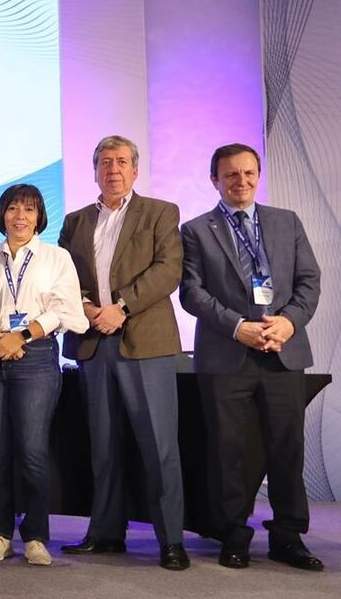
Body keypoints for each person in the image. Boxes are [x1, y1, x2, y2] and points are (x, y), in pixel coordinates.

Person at [179, 143, 322, 571]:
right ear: (214, 180)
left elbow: (308, 281)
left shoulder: (286, 222)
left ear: (258, 175)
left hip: (282, 351)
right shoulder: (196, 229)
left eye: (248, 173)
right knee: (228, 451)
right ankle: (233, 534)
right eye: (230, 175)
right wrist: (237, 327)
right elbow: (192, 291)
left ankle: (288, 536)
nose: (240, 182)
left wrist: (288, 323)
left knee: (287, 449)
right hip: (226, 355)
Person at [58, 135, 189, 571]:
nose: (113, 169)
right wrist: (90, 308)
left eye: (121, 162)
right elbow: (64, 276)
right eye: (105, 163)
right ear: (94, 170)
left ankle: (171, 540)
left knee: (159, 446)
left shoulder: (160, 212)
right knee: (103, 445)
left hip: (144, 343)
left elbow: (168, 269)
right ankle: (107, 533)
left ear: (135, 169)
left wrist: (123, 307)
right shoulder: (75, 220)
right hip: (94, 343)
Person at [0, 184, 88, 566]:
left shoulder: (56, 258)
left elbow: (70, 312)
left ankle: (37, 535)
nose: (19, 216)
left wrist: (21, 335)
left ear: (40, 216)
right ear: (2, 214)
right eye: (12, 208)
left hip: (37, 357)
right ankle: (0, 532)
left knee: (32, 451)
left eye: (28, 209)